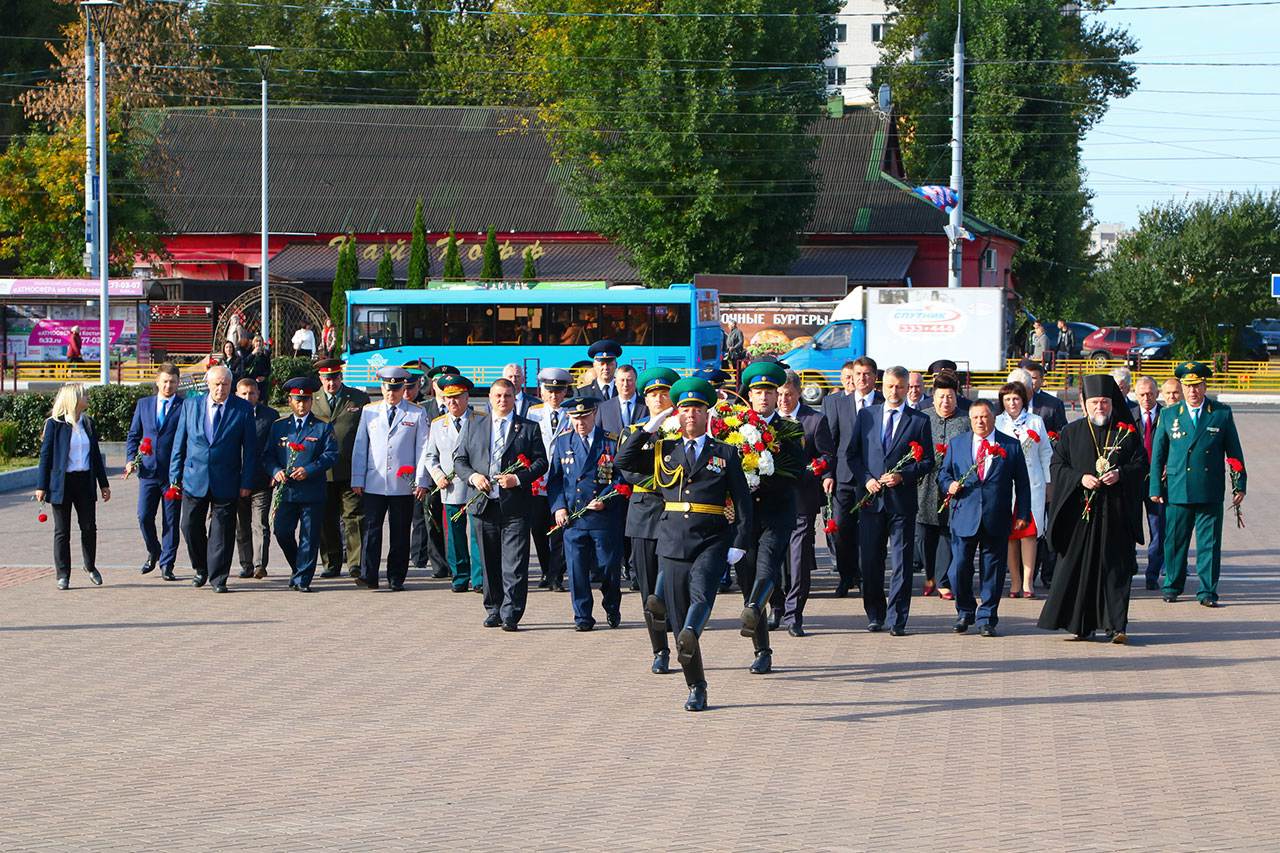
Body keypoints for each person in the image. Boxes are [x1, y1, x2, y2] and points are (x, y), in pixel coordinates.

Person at [616, 377, 752, 712]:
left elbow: (745, 506)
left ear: (708, 415)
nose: (691, 414)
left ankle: (692, 629)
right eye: (685, 409)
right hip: (673, 542)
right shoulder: (665, 450)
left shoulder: (725, 453)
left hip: (712, 538)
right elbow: (624, 460)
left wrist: (740, 543)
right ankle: (697, 686)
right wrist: (653, 424)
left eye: (697, 409)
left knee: (702, 594)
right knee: (676, 622)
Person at [1038, 374, 1146, 641]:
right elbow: (1057, 466)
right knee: (1081, 570)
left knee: (1115, 571)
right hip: (1081, 516)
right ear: (1084, 404)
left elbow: (1141, 465)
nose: (1101, 407)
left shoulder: (1126, 433)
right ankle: (1081, 625)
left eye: (1106, 403)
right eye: (1095, 402)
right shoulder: (1071, 433)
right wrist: (1080, 478)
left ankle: (1117, 627)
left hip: (1116, 515)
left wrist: (1120, 473)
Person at [454, 379, 548, 630]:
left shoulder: (528, 428)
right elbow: (460, 460)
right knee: (489, 560)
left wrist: (517, 478)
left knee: (514, 563)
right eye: (498, 395)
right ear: (490, 396)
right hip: (484, 505)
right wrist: (474, 477)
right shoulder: (474, 424)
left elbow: (541, 463)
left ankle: (511, 612)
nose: (502, 400)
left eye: (508, 396)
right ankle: (493, 608)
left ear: (515, 397)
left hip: (515, 506)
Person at [1150, 361, 1246, 608]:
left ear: (1205, 386)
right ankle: (1172, 585)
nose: (1192, 390)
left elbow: (1234, 453)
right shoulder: (1170, 414)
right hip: (1178, 488)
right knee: (1174, 542)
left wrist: (1239, 485)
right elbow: (1158, 454)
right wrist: (1154, 488)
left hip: (1209, 489)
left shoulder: (1221, 413)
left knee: (1209, 544)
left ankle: (1207, 592)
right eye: (1188, 385)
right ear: (1181, 386)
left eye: (1197, 385)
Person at [732, 361, 804, 673]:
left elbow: (797, 472)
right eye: (758, 392)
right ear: (749, 395)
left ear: (778, 395)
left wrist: (759, 477)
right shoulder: (734, 429)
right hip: (745, 519)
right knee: (748, 581)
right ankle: (762, 649)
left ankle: (754, 615)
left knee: (767, 567)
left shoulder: (789, 429)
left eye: (769, 392)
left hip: (777, 513)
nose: (763, 397)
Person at [852, 365, 934, 635]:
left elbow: (927, 461)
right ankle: (874, 613)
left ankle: (897, 617)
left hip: (901, 502)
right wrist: (866, 479)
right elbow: (853, 455)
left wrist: (903, 475)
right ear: (880, 386)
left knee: (901, 561)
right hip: (871, 500)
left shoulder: (919, 420)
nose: (895, 391)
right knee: (871, 561)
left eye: (900, 386)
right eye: (890, 386)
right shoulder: (866, 416)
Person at [939, 399, 1031, 636]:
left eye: (985, 417)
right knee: (959, 568)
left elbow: (1022, 483)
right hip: (963, 515)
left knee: (992, 570)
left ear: (993, 418)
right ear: (970, 420)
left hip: (996, 517)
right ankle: (965, 611)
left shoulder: (1010, 445)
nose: (981, 421)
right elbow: (943, 474)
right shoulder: (957, 444)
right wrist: (949, 485)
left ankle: (987, 617)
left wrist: (1022, 514)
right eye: (976, 417)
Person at [169, 365, 259, 593]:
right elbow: (180, 442)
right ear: (208, 384)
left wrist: (247, 481)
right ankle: (201, 568)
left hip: (226, 479)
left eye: (225, 384)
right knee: (189, 526)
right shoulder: (191, 405)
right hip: (193, 477)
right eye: (217, 384)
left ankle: (219, 578)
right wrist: (174, 474)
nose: (221, 388)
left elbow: (250, 450)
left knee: (222, 532)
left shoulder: (243, 409)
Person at [547, 396, 626, 631]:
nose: (580, 422)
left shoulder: (610, 441)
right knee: (577, 570)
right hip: (574, 518)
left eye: (584, 417)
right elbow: (555, 480)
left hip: (603, 519)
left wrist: (606, 500)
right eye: (575, 418)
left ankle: (612, 605)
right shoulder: (563, 443)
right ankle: (582, 617)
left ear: (594, 415)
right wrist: (558, 507)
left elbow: (621, 478)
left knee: (607, 568)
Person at [619, 367, 679, 671]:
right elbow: (628, 470)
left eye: (664, 392)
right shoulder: (635, 432)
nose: (658, 399)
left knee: (675, 584)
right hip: (644, 515)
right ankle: (659, 650)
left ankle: (681, 639)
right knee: (648, 590)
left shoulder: (685, 429)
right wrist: (667, 481)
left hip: (677, 516)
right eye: (653, 394)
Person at [350, 366, 429, 591]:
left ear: (403, 387)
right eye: (387, 388)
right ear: (381, 387)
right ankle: (368, 575)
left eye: (395, 389)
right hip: (375, 481)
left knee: (400, 531)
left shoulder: (415, 412)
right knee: (371, 529)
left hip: (403, 483)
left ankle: (396, 577)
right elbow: (360, 446)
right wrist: (358, 478)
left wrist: (421, 480)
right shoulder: (369, 411)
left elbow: (422, 449)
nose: (391, 393)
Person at [264, 377, 339, 592]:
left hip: (312, 490)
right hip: (286, 491)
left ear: (311, 401)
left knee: (309, 536)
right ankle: (298, 567)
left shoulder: (322, 428)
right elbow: (267, 456)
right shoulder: (279, 427)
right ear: (289, 400)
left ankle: (303, 579)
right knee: (282, 531)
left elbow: (331, 455)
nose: (301, 404)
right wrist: (276, 471)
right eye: (297, 400)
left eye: (305, 400)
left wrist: (310, 470)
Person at [775, 370, 834, 636]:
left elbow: (827, 456)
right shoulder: (768, 421)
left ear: (798, 393)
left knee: (798, 559)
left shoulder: (814, 420)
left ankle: (794, 614)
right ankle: (776, 607)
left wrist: (816, 468)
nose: (783, 400)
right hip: (772, 500)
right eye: (779, 395)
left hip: (801, 500)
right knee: (772, 558)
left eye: (788, 394)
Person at [36, 384, 111, 590]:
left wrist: (103, 484)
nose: (87, 397)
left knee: (89, 527)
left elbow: (95, 455)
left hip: (84, 481)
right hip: (62, 483)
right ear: (74, 399)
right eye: (84, 395)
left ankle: (90, 566)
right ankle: (63, 574)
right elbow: (46, 456)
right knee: (62, 531)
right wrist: (41, 486)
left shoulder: (88, 423)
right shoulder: (54, 424)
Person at [822, 357, 883, 597]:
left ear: (874, 377)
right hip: (844, 477)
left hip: (874, 477)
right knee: (842, 529)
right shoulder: (839, 404)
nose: (862, 379)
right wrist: (828, 473)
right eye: (858, 374)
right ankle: (846, 575)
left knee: (871, 531)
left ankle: (867, 577)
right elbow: (830, 442)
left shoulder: (883, 402)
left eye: (867, 374)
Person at [418, 374, 479, 593]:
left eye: (457, 397)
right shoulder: (437, 425)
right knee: (454, 536)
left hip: (475, 488)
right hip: (450, 488)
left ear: (467, 397)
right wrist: (436, 475)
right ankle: (460, 576)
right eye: (448, 398)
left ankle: (479, 578)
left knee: (476, 534)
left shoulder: (480, 420)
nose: (452, 402)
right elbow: (430, 456)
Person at [124, 363, 185, 581]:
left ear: (178, 383)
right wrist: (131, 460)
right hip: (148, 472)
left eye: (173, 382)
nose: (168, 386)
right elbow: (133, 436)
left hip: (173, 474)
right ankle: (154, 549)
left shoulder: (184, 406)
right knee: (144, 516)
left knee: (170, 520)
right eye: (165, 381)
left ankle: (167, 564)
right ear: (157, 382)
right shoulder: (144, 405)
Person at [312, 359, 371, 579]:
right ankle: (331, 562)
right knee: (326, 519)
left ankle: (355, 564)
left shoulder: (358, 398)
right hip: (321, 472)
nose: (331, 383)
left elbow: (366, 434)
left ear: (341, 377)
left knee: (354, 517)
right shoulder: (312, 398)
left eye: (335, 378)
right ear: (320, 379)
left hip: (350, 469)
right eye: (327, 379)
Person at [995, 377, 1052, 599]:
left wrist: (1048, 483)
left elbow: (1046, 452)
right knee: (1010, 535)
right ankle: (1015, 580)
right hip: (1007, 486)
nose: (1012, 403)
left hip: (1032, 484)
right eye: (1007, 399)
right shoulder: (998, 422)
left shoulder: (1036, 421)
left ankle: (1028, 581)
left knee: (1029, 534)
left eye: (1016, 398)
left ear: (1024, 399)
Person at [916, 370, 969, 599]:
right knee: (925, 535)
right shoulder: (922, 417)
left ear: (956, 397)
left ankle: (943, 580)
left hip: (953, 484)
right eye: (941, 396)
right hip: (925, 483)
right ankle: (929, 577)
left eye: (950, 397)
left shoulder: (965, 420)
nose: (945, 401)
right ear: (933, 397)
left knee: (947, 533)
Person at [526, 367, 573, 592]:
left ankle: (556, 575)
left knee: (559, 529)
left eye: (559, 391)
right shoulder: (532, 413)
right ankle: (546, 569)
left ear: (565, 392)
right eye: (550, 391)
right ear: (542, 392)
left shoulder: (572, 413)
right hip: (537, 481)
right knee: (538, 528)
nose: (554, 396)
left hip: (562, 479)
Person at [234, 378, 279, 580]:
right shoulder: (231, 414)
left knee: (259, 523)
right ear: (237, 394)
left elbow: (277, 447)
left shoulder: (271, 416)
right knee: (241, 526)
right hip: (236, 479)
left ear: (258, 394)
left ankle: (260, 564)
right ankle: (247, 564)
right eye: (243, 393)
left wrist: (275, 472)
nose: (248, 397)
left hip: (262, 480)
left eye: (252, 393)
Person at [1133, 375, 1166, 590]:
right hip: (1134, 481)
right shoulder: (1128, 417)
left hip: (1158, 482)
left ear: (1157, 393)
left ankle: (1152, 574)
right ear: (1136, 396)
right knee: (1130, 528)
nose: (1147, 398)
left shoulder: (1167, 416)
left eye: (1151, 394)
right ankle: (1127, 569)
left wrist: (1168, 466)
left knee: (1158, 529)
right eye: (1142, 394)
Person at [1018, 359, 1068, 434]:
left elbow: (1061, 433)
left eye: (1033, 378)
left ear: (1042, 381)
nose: (1029, 381)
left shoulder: (1053, 404)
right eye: (1026, 377)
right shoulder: (1010, 401)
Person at [598, 364, 647, 433]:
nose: (625, 384)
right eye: (622, 380)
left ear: (636, 382)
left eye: (629, 380)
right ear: (615, 382)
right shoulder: (604, 408)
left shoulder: (647, 405)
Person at [243, 335, 272, 402]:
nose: (258, 343)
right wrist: (253, 354)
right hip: (250, 379)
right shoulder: (248, 352)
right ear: (253, 343)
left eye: (260, 341)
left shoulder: (265, 353)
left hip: (261, 381)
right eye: (256, 341)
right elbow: (244, 364)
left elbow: (268, 368)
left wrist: (264, 377)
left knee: (262, 400)